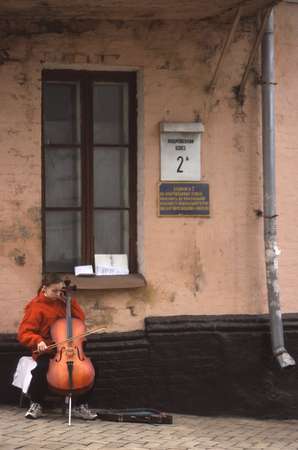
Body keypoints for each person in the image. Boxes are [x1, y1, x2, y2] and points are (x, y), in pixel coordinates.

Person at [18, 273, 97, 420]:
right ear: (44, 289)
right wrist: (37, 340)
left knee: (91, 369)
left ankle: (80, 406)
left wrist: (70, 302)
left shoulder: (62, 302)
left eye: (60, 290)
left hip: (68, 347)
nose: (58, 294)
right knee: (41, 369)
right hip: (46, 348)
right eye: (54, 291)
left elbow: (79, 319)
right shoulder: (35, 307)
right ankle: (36, 404)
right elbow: (24, 332)